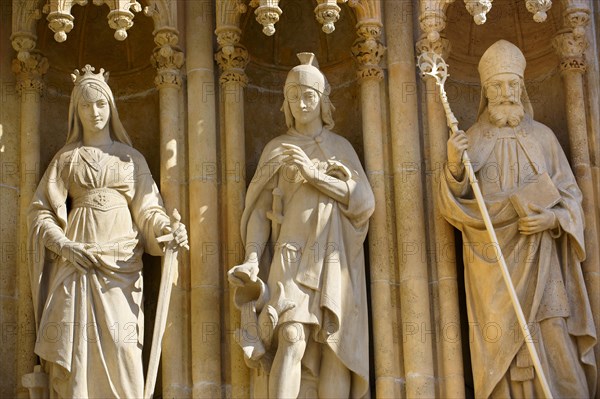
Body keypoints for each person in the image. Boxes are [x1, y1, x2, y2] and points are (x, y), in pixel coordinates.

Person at [439, 40, 597, 398]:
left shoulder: (543, 137)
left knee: (554, 330)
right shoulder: (472, 141)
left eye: (512, 84)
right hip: (492, 264)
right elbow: (453, 204)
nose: (505, 92)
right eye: (496, 86)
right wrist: (452, 165)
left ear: (522, 87)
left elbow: (572, 198)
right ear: (485, 91)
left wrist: (552, 221)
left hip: (543, 259)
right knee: (500, 346)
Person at [28, 65, 188, 398]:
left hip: (121, 266)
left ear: (111, 107)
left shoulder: (131, 160)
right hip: (77, 266)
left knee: (123, 347)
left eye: (100, 104)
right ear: (76, 110)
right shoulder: (66, 160)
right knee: (76, 357)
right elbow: (40, 212)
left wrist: (166, 232)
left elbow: (148, 211)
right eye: (86, 105)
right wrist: (64, 246)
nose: (94, 112)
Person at [228, 53, 374, 398]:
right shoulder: (278, 150)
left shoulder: (340, 148)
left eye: (308, 96)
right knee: (291, 336)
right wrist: (251, 257)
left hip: (335, 256)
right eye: (293, 96)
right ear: (286, 103)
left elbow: (364, 202)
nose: (301, 103)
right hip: (291, 257)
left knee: (333, 347)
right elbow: (260, 210)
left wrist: (313, 174)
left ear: (322, 101)